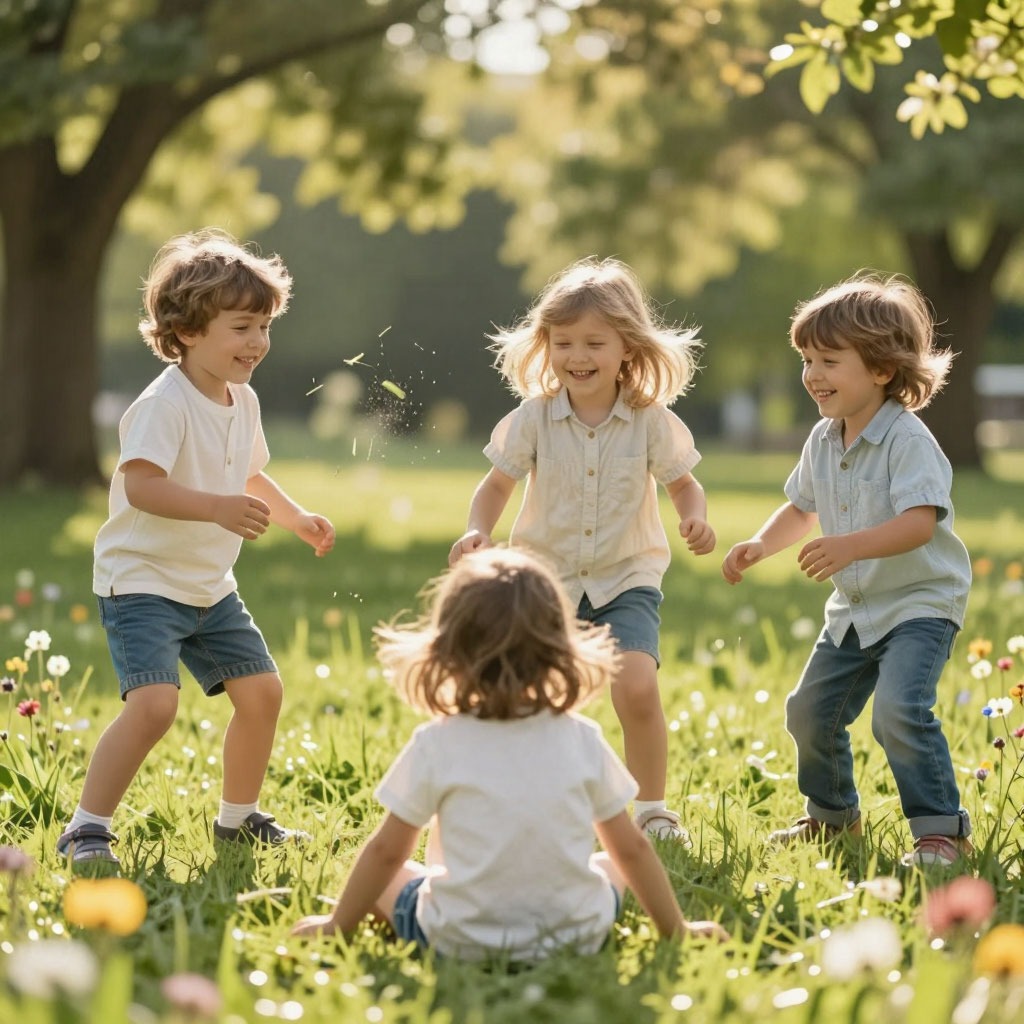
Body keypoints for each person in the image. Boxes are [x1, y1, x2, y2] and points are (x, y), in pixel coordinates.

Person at [289, 547, 728, 959]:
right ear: (557, 650)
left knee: (401, 878)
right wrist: (678, 930)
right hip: (574, 936)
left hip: (456, 938)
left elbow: (387, 852)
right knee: (608, 863)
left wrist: (336, 923)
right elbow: (632, 849)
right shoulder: (582, 738)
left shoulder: (437, 743)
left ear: (449, 651)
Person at [56, 229, 336, 866]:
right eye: (241, 327)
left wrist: (294, 518)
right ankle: (87, 827)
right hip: (143, 581)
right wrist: (215, 507)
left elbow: (247, 471)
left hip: (209, 586)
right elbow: (142, 486)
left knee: (262, 694)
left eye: (264, 326)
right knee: (154, 706)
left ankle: (238, 822)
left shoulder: (243, 400)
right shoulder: (164, 404)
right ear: (185, 332)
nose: (257, 342)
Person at [448, 258, 714, 844]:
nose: (578, 355)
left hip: (626, 578)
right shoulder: (534, 418)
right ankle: (526, 801)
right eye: (563, 342)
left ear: (628, 348)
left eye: (595, 342)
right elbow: (497, 485)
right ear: (545, 346)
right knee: (525, 694)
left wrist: (693, 517)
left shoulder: (649, 421)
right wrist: (477, 531)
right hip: (545, 583)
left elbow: (682, 483)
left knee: (637, 686)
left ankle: (651, 808)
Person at [721, 272, 972, 868]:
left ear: (883, 370)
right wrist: (760, 544)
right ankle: (832, 818)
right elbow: (801, 507)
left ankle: (941, 834)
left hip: (918, 606)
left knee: (898, 712)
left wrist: (853, 545)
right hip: (856, 612)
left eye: (830, 360)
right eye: (807, 359)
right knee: (808, 711)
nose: (812, 374)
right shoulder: (822, 438)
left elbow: (920, 523)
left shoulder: (907, 440)